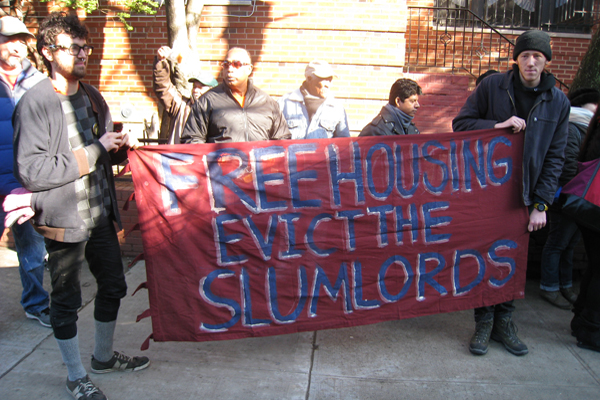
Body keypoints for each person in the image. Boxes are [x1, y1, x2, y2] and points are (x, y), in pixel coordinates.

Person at [11, 12, 148, 400]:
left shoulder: (91, 96)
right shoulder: (35, 103)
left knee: (114, 286)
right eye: (74, 48)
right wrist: (96, 149)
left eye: (85, 47)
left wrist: (120, 149)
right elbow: (33, 171)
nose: (83, 53)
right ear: (48, 52)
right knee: (66, 299)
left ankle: (103, 358)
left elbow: (104, 156)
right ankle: (76, 376)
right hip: (63, 221)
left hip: (100, 216)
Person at [452, 29, 570, 357]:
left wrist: (541, 204)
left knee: (511, 260)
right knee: (484, 255)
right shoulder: (492, 86)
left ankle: (505, 322)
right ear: (515, 59)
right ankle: (484, 323)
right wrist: (497, 125)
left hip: (524, 196)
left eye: (538, 56)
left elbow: (555, 156)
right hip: (486, 191)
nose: (531, 62)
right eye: (525, 56)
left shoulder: (558, 101)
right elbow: (460, 124)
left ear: (547, 61)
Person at [0, 16, 50, 327]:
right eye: (9, 39)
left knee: (33, 250)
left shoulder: (40, 83)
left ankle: (36, 304)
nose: (16, 46)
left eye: (21, 40)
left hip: (25, 182)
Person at [540, 88, 599, 309]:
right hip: (565, 197)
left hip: (577, 198)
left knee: (569, 245)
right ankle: (549, 287)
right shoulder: (572, 129)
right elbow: (566, 167)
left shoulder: (585, 130)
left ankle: (565, 285)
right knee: (557, 243)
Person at [181, 47, 291, 143]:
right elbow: (192, 140)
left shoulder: (267, 103)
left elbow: (282, 140)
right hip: (221, 166)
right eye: (226, 65)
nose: (230, 69)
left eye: (236, 64)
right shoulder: (207, 101)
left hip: (259, 166)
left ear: (249, 69)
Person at [570, 105, 600, 353]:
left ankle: (582, 319)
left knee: (596, 265)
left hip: (589, 205)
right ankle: (591, 329)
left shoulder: (595, 123)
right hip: (596, 205)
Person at [153, 45, 217, 144]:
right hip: (179, 158)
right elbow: (163, 88)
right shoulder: (181, 106)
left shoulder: (219, 111)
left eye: (200, 88)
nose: (196, 90)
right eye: (195, 87)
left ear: (211, 90)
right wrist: (160, 63)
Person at [277, 60, 349, 139]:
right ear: (309, 79)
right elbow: (273, 141)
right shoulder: (284, 104)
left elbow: (344, 146)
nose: (328, 85)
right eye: (324, 79)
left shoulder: (337, 109)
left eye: (330, 80)